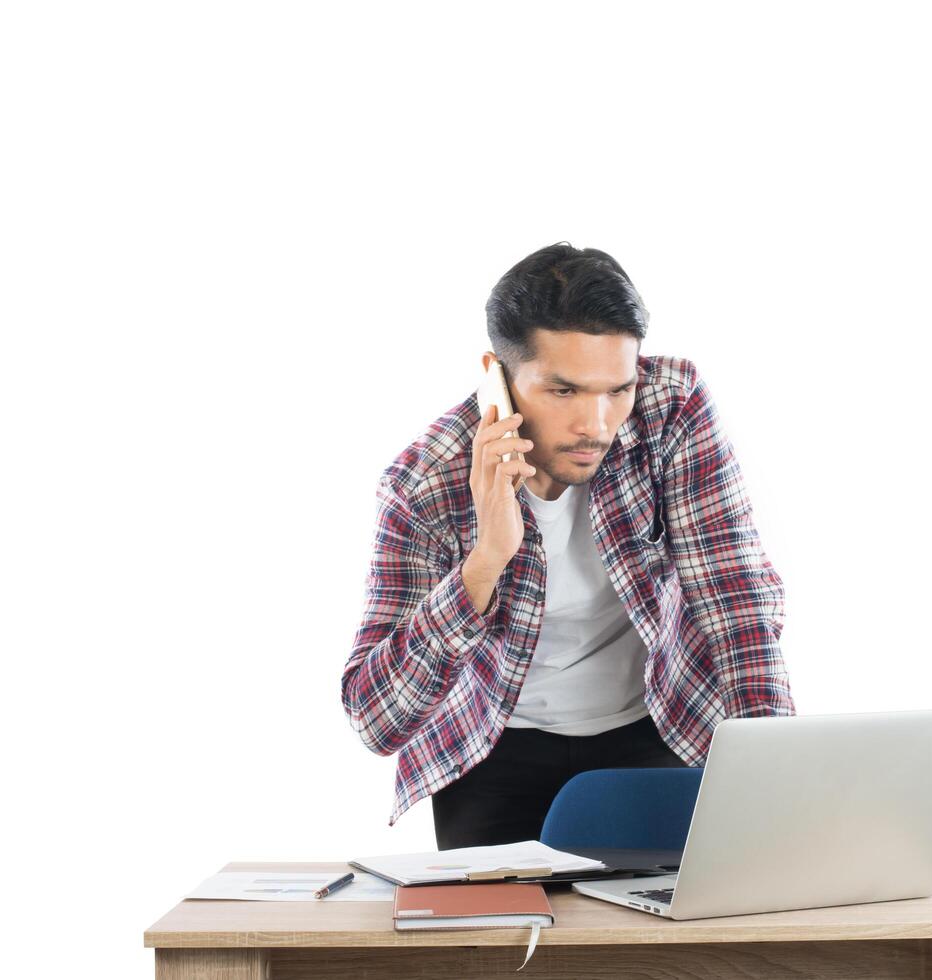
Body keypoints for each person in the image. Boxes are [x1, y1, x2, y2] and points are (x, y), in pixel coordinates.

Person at [341, 242, 796, 848]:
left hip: (654, 723)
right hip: (490, 747)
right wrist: (484, 562)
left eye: (617, 390)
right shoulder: (425, 483)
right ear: (496, 378)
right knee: (499, 940)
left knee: (674, 932)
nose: (598, 424)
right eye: (564, 392)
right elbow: (376, 720)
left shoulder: (671, 408)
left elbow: (733, 598)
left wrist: (778, 775)